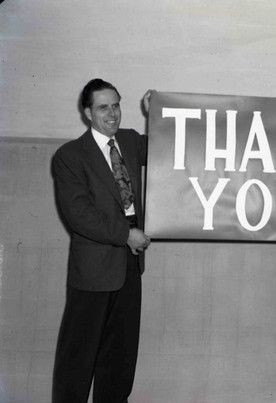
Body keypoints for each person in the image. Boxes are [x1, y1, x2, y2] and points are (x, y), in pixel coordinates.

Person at [52, 78, 152, 402]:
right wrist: (125, 235)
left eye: (116, 105)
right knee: (78, 360)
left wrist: (159, 113)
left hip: (130, 267)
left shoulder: (131, 140)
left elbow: (169, 147)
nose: (112, 114)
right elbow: (80, 215)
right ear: (87, 113)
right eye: (103, 107)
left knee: (120, 360)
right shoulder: (69, 156)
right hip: (94, 271)